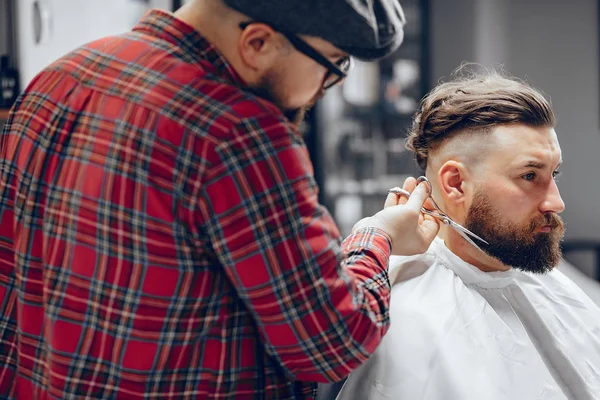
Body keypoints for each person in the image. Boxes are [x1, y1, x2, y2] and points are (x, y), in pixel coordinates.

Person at [0, 0, 441, 398]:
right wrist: (376, 234)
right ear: (257, 42)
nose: (325, 87)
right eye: (333, 64)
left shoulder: (60, 77)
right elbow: (333, 342)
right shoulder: (239, 132)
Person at [331, 67, 600, 400]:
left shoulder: (555, 291)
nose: (556, 203)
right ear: (456, 184)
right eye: (530, 176)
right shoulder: (411, 320)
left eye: (553, 173)